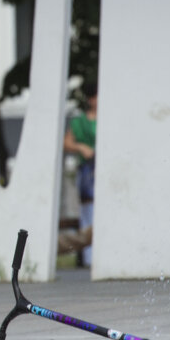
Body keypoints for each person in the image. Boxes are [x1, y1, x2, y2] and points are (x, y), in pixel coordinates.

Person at [63, 82, 97, 266]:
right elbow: (66, 143)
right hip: (89, 171)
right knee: (88, 211)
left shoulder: (109, 117)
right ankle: (89, 258)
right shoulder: (80, 122)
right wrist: (81, 147)